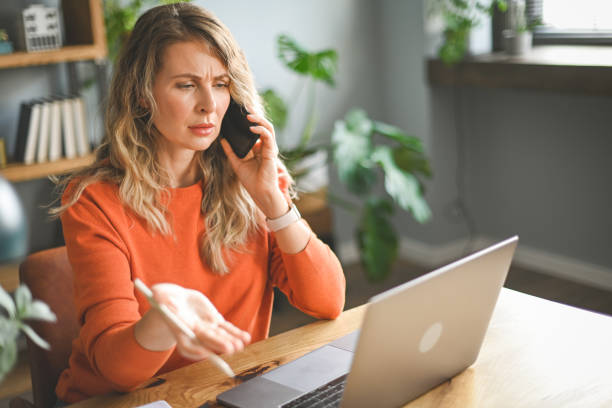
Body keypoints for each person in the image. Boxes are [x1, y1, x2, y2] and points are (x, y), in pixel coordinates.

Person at [51, 3, 345, 404]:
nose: (210, 104)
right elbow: (117, 372)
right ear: (141, 97)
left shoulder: (251, 179)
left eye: (221, 83)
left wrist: (274, 202)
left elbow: (327, 302)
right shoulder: (95, 203)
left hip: (226, 392)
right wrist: (164, 321)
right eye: (186, 85)